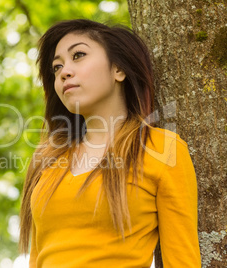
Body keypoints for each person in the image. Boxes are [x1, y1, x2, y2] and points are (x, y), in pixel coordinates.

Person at [19, 19, 201, 267]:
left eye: (79, 55)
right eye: (56, 67)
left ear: (118, 69)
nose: (64, 72)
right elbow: (37, 259)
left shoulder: (162, 149)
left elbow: (181, 261)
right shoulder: (47, 160)